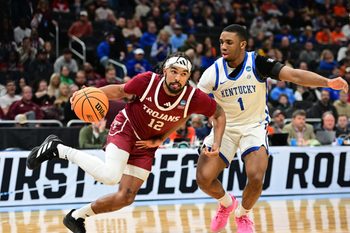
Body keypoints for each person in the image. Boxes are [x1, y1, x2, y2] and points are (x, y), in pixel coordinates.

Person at [26, 52, 226, 233]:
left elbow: (217, 114)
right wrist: (88, 92)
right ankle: (57, 148)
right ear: (165, 70)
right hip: (127, 128)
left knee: (126, 197)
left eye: (183, 74)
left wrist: (214, 142)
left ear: (188, 77)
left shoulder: (193, 97)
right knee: (111, 176)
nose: (178, 77)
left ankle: (76, 217)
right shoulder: (148, 81)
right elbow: (119, 91)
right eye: (174, 71)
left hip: (146, 146)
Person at [195, 24, 348, 233]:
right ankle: (226, 203)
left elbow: (294, 75)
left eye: (229, 42)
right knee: (203, 179)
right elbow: (195, 103)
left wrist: (328, 82)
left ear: (242, 44)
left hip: (254, 126)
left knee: (256, 176)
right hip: (226, 127)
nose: (223, 46)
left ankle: (243, 214)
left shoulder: (257, 62)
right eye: (221, 42)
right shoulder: (212, 73)